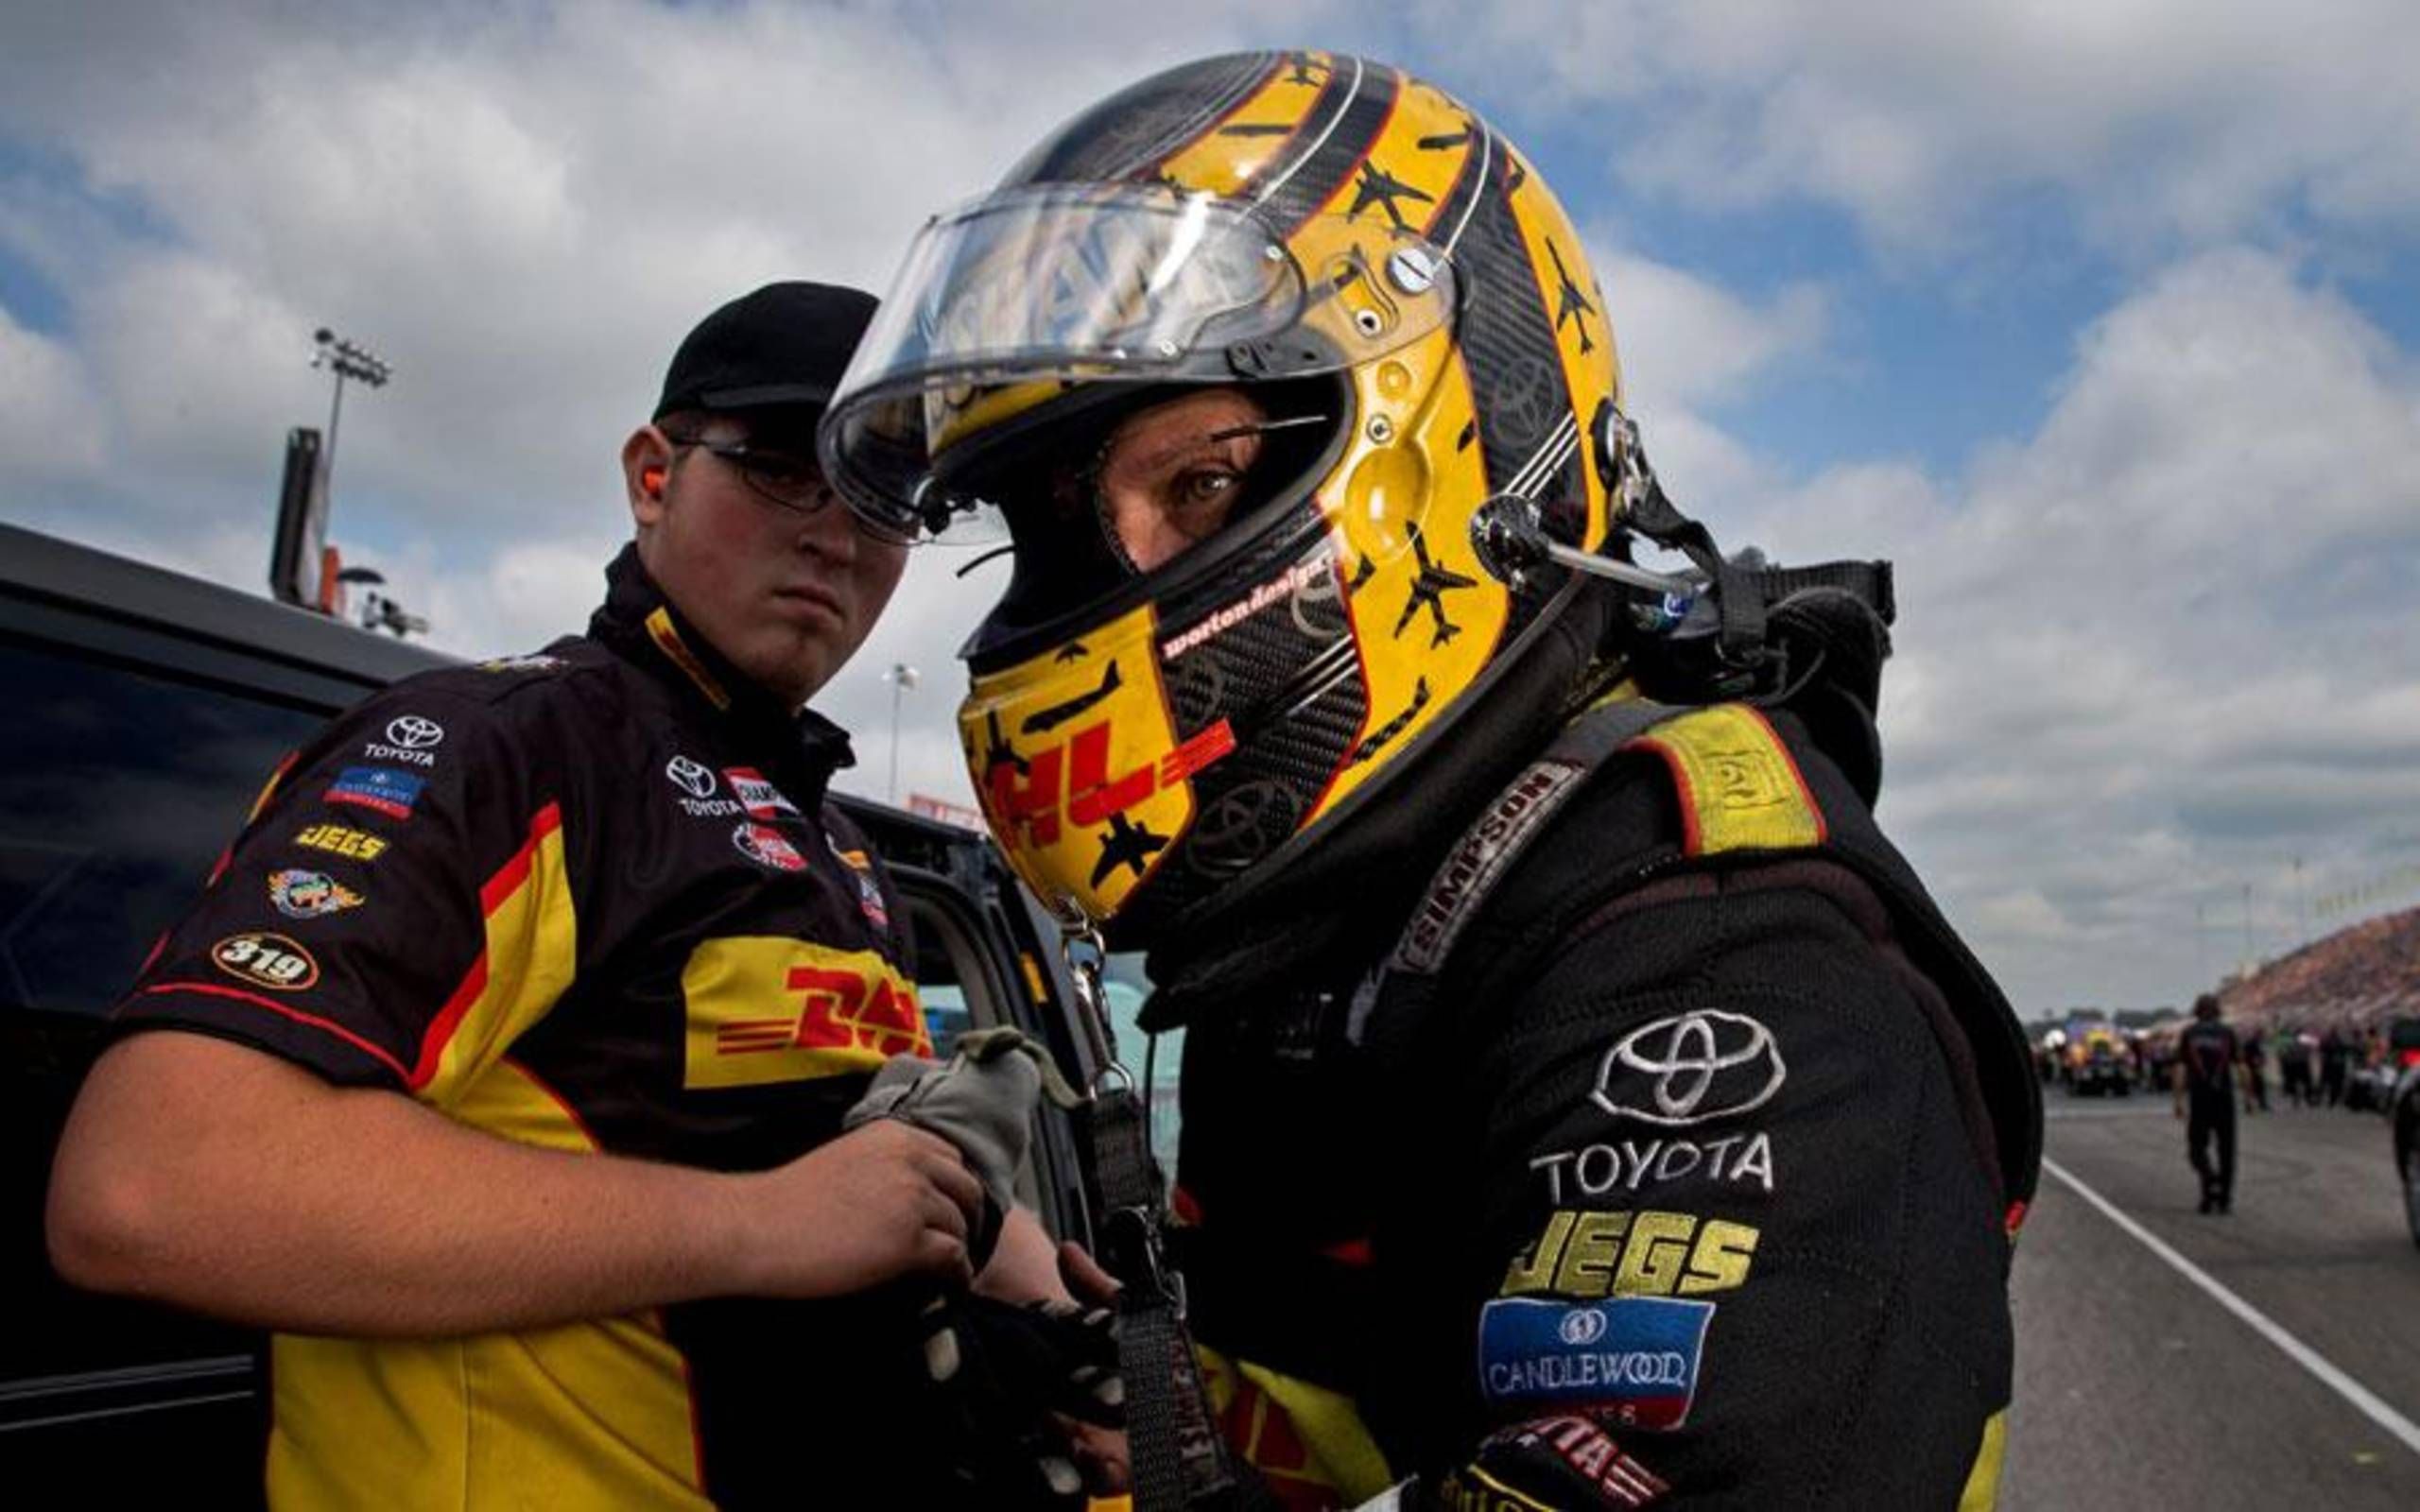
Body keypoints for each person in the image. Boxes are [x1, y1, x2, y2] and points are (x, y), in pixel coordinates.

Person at [819, 50, 2043, 1510]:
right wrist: (1125, 1389)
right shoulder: (1349, 926)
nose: (1109, 586)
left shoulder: (1716, 945)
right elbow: (1356, 1395)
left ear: (1467, 440)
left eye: (1200, 482)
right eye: (1059, 538)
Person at [46, 283, 1100, 1508]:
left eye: (878, 495)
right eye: (777, 467)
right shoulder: (498, 748)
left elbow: (840, 1151)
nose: (835, 534)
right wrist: (760, 1226)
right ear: (653, 476)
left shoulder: (825, 835)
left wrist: (1049, 1304)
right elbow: (151, 1186)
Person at [2174, 994, 2246, 1213]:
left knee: (2197, 1147)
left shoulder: (2189, 1034)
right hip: (2224, 1096)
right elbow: (2242, 1067)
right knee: (2227, 1149)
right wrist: (2250, 1096)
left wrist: (2178, 1100)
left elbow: (2180, 1069)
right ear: (2217, 1011)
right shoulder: (2227, 1033)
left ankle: (2208, 1182)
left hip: (2200, 1097)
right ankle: (2224, 1199)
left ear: (2197, 1010)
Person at [2240, 1025, 2270, 1112]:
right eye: (2262, 1035)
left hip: (2251, 1067)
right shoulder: (2253, 1043)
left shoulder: (2253, 1042)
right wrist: (2258, 1062)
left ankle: (2254, 1105)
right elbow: (2254, 1055)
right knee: (2256, 1086)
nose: (2263, 1036)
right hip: (2253, 1067)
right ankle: (2258, 1104)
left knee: (2254, 1086)